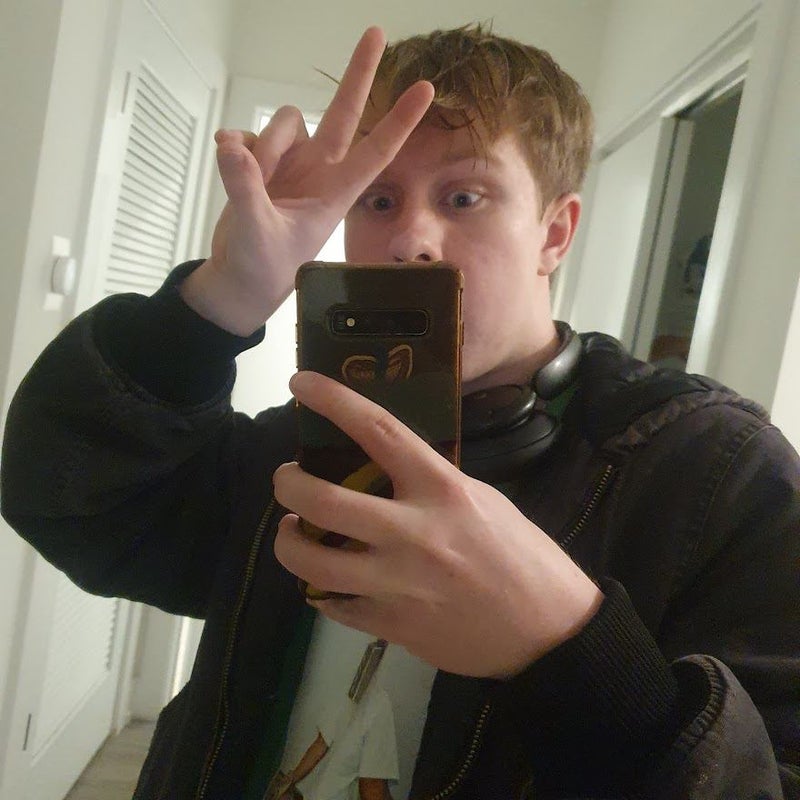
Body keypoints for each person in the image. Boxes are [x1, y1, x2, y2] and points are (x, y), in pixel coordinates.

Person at [1, 23, 798, 800]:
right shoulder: (304, 446)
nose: (410, 241)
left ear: (554, 232)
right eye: (378, 199)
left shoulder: (719, 473)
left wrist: (566, 651)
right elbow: (69, 501)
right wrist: (217, 303)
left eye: (464, 196)